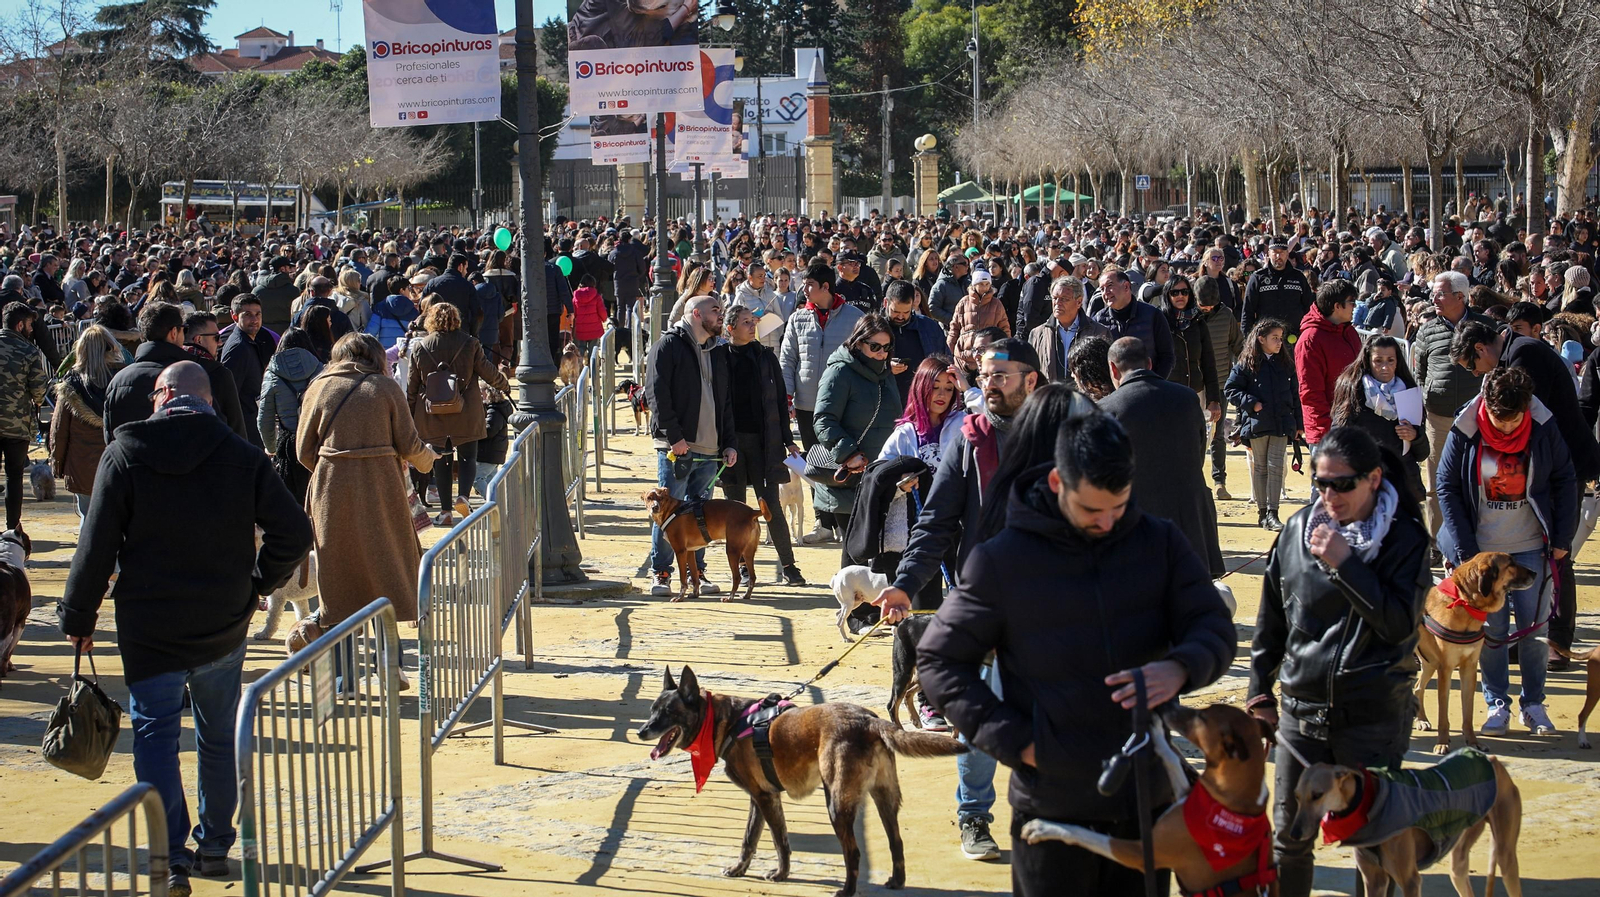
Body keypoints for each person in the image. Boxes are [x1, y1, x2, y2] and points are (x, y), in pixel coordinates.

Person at [916, 411, 1235, 896]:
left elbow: (1212, 625)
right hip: (1050, 807)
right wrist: (1016, 741)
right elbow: (939, 661)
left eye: (1118, 507)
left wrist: (1181, 666)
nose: (1106, 522)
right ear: (1056, 482)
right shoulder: (1003, 558)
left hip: (1143, 800)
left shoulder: (1160, 542)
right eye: (1091, 510)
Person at [58, 360, 313, 897]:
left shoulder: (125, 453)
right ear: (208, 402)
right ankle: (215, 844)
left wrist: (79, 616)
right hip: (222, 619)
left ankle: (169, 854)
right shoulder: (242, 455)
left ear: (163, 395)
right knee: (217, 736)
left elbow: (95, 545)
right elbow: (294, 531)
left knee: (155, 736)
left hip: (150, 625)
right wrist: (258, 582)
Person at [872, 337, 1059, 863]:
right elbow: (936, 521)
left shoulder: (1061, 437)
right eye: (984, 374)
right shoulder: (970, 440)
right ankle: (974, 814)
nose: (989, 384)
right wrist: (905, 583)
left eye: (1001, 374)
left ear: (1031, 380)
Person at [1247, 426, 1431, 897]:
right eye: (1320, 482)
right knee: (1290, 839)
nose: (1329, 495)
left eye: (1342, 484)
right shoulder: (1296, 532)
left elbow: (1398, 626)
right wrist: (1260, 694)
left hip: (1372, 717)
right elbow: (1272, 621)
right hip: (1302, 714)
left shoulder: (1405, 539)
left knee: (1373, 844)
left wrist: (1346, 564)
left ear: (1373, 479)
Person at [1436, 366, 1576, 737]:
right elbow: (1447, 485)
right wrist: (1467, 551)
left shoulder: (1543, 425)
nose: (1508, 428)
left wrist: (1562, 538)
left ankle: (1534, 704)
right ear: (1487, 406)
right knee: (1492, 633)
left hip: (1531, 546)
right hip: (1481, 551)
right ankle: (1497, 703)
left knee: (1534, 631)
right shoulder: (1466, 427)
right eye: (1500, 420)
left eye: (1515, 420)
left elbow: (1564, 478)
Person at [299, 333, 439, 632]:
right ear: (376, 356)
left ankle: (344, 654)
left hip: (331, 487)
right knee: (387, 562)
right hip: (381, 484)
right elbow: (410, 444)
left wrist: (336, 466)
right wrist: (428, 459)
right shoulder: (385, 387)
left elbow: (303, 451)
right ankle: (389, 652)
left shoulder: (318, 387)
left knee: (338, 567)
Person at [1101, 336, 1226, 577]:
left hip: (1140, 522)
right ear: (1149, 363)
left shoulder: (1107, 408)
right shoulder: (1188, 398)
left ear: (1113, 369)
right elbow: (1199, 452)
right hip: (1191, 516)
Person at [644, 293, 737, 596]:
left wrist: (729, 443)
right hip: (677, 447)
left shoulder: (718, 351)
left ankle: (697, 573)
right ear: (696, 314)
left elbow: (725, 402)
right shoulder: (667, 346)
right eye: (715, 310)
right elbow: (657, 394)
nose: (721, 315)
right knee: (667, 513)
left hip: (710, 449)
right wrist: (675, 437)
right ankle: (661, 573)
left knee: (701, 516)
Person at [716, 305, 805, 586]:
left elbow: (779, 400)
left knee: (771, 506)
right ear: (730, 328)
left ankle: (789, 566)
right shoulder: (719, 357)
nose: (752, 326)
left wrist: (788, 440)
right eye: (745, 322)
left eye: (753, 321)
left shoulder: (766, 356)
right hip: (730, 443)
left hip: (764, 443)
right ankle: (743, 567)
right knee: (736, 509)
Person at [781, 262, 866, 544]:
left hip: (842, 404)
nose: (804, 290)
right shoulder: (798, 319)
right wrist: (787, 395)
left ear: (825, 287)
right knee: (813, 465)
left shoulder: (855, 318)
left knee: (842, 461)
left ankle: (844, 521)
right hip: (807, 405)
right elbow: (788, 359)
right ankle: (823, 522)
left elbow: (862, 358)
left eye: (809, 285)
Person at [406, 302, 510, 527]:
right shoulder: (470, 343)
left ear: (430, 320)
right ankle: (463, 496)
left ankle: (445, 512)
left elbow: (412, 385)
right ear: (456, 319)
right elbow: (487, 371)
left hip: (432, 414)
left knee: (440, 460)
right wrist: (504, 385)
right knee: (467, 457)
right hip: (466, 410)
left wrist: (411, 414)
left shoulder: (421, 346)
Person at [814, 314, 902, 553]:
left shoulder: (885, 373)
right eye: (875, 347)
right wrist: (849, 454)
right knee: (855, 553)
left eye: (887, 347)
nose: (882, 353)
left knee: (875, 552)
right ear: (858, 343)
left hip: (880, 474)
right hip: (850, 475)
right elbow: (823, 420)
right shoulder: (840, 372)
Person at [1413, 270, 1490, 539]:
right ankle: (1436, 542)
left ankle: (1475, 540)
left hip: (1479, 419)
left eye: (1440, 294)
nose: (1434, 298)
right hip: (1439, 417)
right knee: (1437, 483)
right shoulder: (1427, 330)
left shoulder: (1484, 327)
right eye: (1433, 293)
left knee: (1478, 481)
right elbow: (1420, 372)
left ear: (1460, 296)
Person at [103, 302, 246, 441]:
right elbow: (227, 435)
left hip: (132, 456)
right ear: (173, 333)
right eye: (184, 329)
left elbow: (111, 438)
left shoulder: (118, 381)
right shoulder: (195, 375)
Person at [1331, 335, 1430, 503]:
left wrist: (1415, 436)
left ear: (1398, 362)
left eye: (1390, 360)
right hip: (1365, 482)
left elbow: (1422, 453)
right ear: (1368, 361)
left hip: (1402, 484)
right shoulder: (1353, 390)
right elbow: (1338, 438)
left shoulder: (1409, 392)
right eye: (1378, 361)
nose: (1385, 367)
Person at [1225, 319, 1303, 531]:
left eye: (1281, 338)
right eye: (1274, 338)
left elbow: (1295, 394)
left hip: (1281, 423)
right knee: (1260, 468)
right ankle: (1262, 513)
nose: (1279, 342)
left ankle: (1273, 513)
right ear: (1261, 339)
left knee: (1276, 466)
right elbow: (1231, 389)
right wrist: (1251, 403)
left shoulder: (1286, 363)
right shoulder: (1246, 364)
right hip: (1257, 423)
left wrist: (1298, 423)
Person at [50, 325, 122, 519]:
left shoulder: (70, 385)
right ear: (111, 347)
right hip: (119, 462)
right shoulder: (125, 379)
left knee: (88, 518)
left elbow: (59, 430)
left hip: (83, 465)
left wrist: (57, 463)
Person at [257, 328, 325, 506]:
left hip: (288, 446)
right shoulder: (320, 369)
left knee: (292, 502)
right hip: (317, 443)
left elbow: (264, 419)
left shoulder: (272, 374)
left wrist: (271, 448)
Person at [1295, 280, 1363, 447]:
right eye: (1351, 302)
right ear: (1337, 306)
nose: (1355, 306)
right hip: (1327, 433)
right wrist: (1327, 431)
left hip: (1354, 426)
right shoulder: (1310, 340)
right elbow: (1311, 393)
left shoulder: (1350, 332)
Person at [0, 302, 47, 536]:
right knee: (14, 475)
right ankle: (12, 529)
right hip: (16, 424)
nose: (31, 329)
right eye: (29, 324)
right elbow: (39, 391)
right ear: (20, 325)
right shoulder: (29, 351)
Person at [1157, 274, 1222, 423]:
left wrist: (1214, 399)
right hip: (1167, 395)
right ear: (1167, 295)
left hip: (1195, 393)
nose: (1180, 296)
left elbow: (1208, 362)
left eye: (1184, 292)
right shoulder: (1158, 321)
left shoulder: (1198, 321)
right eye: (1175, 292)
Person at [1091, 267, 1175, 378]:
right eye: (1102, 289)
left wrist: (1156, 382)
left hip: (1148, 383)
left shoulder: (1152, 315)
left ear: (1126, 286)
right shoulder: (1099, 321)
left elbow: (1167, 356)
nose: (1105, 293)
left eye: (1110, 286)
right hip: (1114, 387)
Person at [1028, 274, 1111, 384]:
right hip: (1051, 393)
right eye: (1055, 298)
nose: (1057, 303)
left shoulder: (1099, 332)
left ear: (1079, 302)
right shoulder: (1037, 334)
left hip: (1085, 394)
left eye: (1064, 299)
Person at [220, 295, 275, 449]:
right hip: (244, 428)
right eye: (248, 315)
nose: (254, 320)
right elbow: (228, 394)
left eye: (258, 314)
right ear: (234, 316)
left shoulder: (250, 341)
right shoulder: (238, 347)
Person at [882, 279, 947, 406]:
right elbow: (861, 364)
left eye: (906, 312)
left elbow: (945, 360)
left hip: (922, 400)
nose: (900, 317)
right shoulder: (874, 329)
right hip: (885, 401)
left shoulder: (929, 327)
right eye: (895, 311)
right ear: (886, 303)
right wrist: (885, 367)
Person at [1240, 237, 1314, 338]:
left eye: (1282, 252)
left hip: (1294, 337)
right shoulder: (1258, 278)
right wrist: (1247, 339)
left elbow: (1309, 308)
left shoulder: (1299, 277)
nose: (1278, 256)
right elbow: (1248, 311)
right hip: (1266, 338)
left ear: (1287, 254)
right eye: (1275, 252)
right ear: (1269, 253)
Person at [947, 268, 1012, 357]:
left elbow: (1004, 328)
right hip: (964, 354)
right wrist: (949, 349)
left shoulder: (996, 304)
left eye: (987, 284)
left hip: (988, 353)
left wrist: (1007, 350)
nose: (984, 287)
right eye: (981, 284)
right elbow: (954, 328)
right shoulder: (963, 303)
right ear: (974, 285)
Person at [424, 253, 481, 336]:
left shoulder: (432, 284)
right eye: (466, 268)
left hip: (436, 332)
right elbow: (476, 312)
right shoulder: (467, 286)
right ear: (460, 267)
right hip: (461, 333)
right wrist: (473, 333)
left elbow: (423, 307)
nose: (466, 272)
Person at [366, 273, 425, 349]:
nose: (410, 291)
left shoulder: (381, 307)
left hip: (385, 351)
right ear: (402, 290)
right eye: (408, 288)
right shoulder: (413, 310)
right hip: (404, 350)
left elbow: (371, 331)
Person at [252, 254, 298, 336]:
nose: (290, 270)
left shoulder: (257, 291)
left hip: (263, 333)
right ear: (282, 269)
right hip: (287, 333)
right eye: (289, 268)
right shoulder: (293, 291)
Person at [571, 273, 607, 355]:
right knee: (593, 350)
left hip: (580, 329)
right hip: (595, 329)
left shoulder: (575, 297)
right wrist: (604, 319)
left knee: (580, 349)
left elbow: (574, 314)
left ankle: (580, 363)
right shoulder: (597, 297)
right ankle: (592, 363)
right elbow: (602, 313)